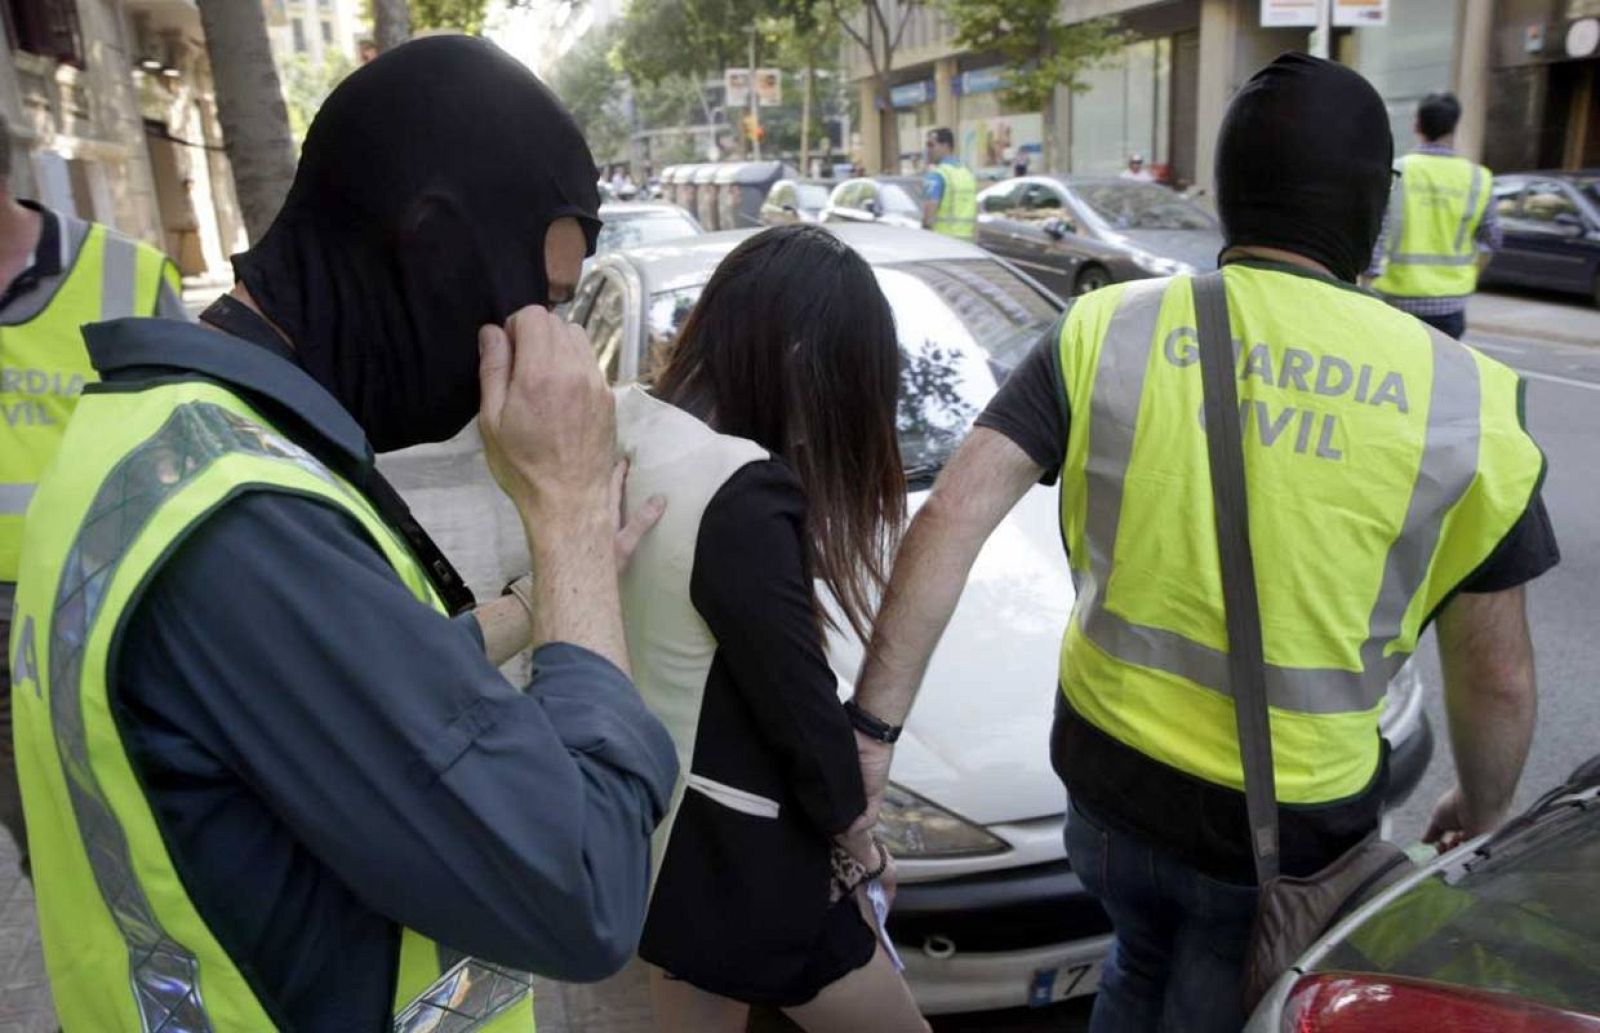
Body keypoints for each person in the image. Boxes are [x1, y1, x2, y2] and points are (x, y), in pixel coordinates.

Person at [844, 54, 1557, 1033]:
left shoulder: (1103, 330)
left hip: (1102, 787)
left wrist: (870, 739)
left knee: (1136, 958)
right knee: (1213, 994)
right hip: (1287, 832)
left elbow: (950, 519)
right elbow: (1500, 680)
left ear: (1228, 197)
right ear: (1371, 207)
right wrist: (1482, 811)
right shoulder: (1468, 406)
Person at [8, 37, 678, 1031]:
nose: (547, 341)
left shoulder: (166, 441)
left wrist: (535, 610)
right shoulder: (240, 527)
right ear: (438, 248)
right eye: (539, 300)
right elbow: (585, 887)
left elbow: (323, 702)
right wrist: (571, 514)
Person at [614, 225, 926, 1033]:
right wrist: (863, 846)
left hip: (657, 844)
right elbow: (800, 707)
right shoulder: (739, 490)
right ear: (799, 358)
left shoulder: (631, 427)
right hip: (752, 867)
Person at [0, 109, 182, 878]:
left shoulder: (125, 275)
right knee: (57, 861)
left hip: (98, 613)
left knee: (135, 849)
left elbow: (193, 446)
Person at [1368, 92, 1500, 340]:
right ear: (1453, 127)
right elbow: (1491, 239)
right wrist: (1470, 273)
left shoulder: (1396, 171)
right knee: (1439, 377)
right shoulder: (1477, 178)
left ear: (1417, 124)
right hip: (1450, 304)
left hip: (1397, 299)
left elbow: (1376, 234)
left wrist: (1367, 284)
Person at [920, 128, 976, 240]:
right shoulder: (967, 174)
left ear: (945, 146)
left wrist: (924, 234)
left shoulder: (937, 175)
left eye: (931, 145)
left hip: (944, 242)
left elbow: (929, 213)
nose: (927, 150)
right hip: (967, 244)